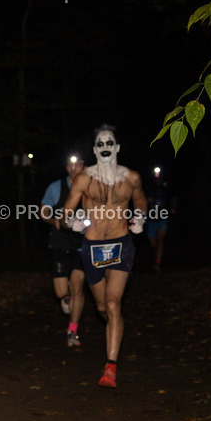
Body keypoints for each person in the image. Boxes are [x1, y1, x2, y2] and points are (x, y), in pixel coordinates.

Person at [62, 125, 147, 388]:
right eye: (100, 144)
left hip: (122, 244)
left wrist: (141, 217)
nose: (105, 146)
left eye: (110, 142)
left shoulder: (131, 177)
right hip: (93, 248)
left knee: (113, 304)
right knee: (101, 307)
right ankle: (108, 325)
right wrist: (72, 222)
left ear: (117, 147)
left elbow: (141, 201)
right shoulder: (84, 179)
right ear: (95, 149)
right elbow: (66, 213)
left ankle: (111, 367)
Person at [40, 153, 87, 347]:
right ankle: (65, 297)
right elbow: (43, 210)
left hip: (82, 243)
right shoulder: (56, 187)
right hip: (59, 242)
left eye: (77, 165)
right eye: (70, 166)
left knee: (77, 285)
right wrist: (54, 221)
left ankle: (72, 331)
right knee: (61, 292)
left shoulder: (90, 186)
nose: (73, 169)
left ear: (84, 167)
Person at [145, 167, 173, 272]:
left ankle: (158, 263)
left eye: (159, 174)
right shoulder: (149, 188)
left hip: (162, 218)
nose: (157, 177)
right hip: (151, 219)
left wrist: (172, 208)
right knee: (153, 243)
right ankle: (153, 259)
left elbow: (171, 198)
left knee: (160, 241)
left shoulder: (165, 187)